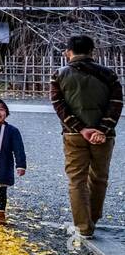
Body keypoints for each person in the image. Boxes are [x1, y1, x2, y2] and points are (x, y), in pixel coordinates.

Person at [51, 35, 122, 238]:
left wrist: (81, 128)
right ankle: (94, 218)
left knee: (77, 180)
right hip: (104, 136)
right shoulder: (109, 75)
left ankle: (83, 226)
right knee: (99, 178)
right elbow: (116, 104)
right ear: (93, 52)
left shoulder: (59, 75)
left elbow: (59, 107)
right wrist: (102, 129)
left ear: (68, 52)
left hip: (74, 134)